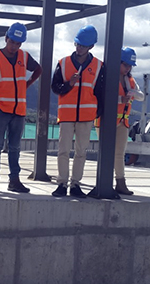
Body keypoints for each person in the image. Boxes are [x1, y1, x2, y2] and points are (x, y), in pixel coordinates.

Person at [0, 22, 42, 193]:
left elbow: (38, 69)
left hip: (18, 110)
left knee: (15, 147)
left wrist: (29, 82)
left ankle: (14, 180)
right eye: (12, 42)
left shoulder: (24, 57)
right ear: (6, 38)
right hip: (0, 109)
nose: (14, 46)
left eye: (18, 43)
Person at [50, 25, 105, 198]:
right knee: (63, 150)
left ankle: (75, 185)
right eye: (77, 44)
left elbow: (101, 92)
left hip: (86, 116)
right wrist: (69, 84)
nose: (79, 47)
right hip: (66, 115)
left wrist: (97, 112)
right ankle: (61, 184)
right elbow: (55, 87)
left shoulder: (98, 66)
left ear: (91, 47)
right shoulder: (63, 63)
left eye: (82, 45)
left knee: (81, 152)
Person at [93, 47, 144, 195]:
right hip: (105, 121)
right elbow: (101, 98)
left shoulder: (130, 81)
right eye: (125, 65)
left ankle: (120, 183)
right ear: (118, 63)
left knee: (119, 154)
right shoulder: (106, 77)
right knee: (105, 152)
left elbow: (141, 96)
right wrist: (121, 99)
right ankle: (103, 182)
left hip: (122, 122)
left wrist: (133, 93)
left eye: (130, 66)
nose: (128, 68)